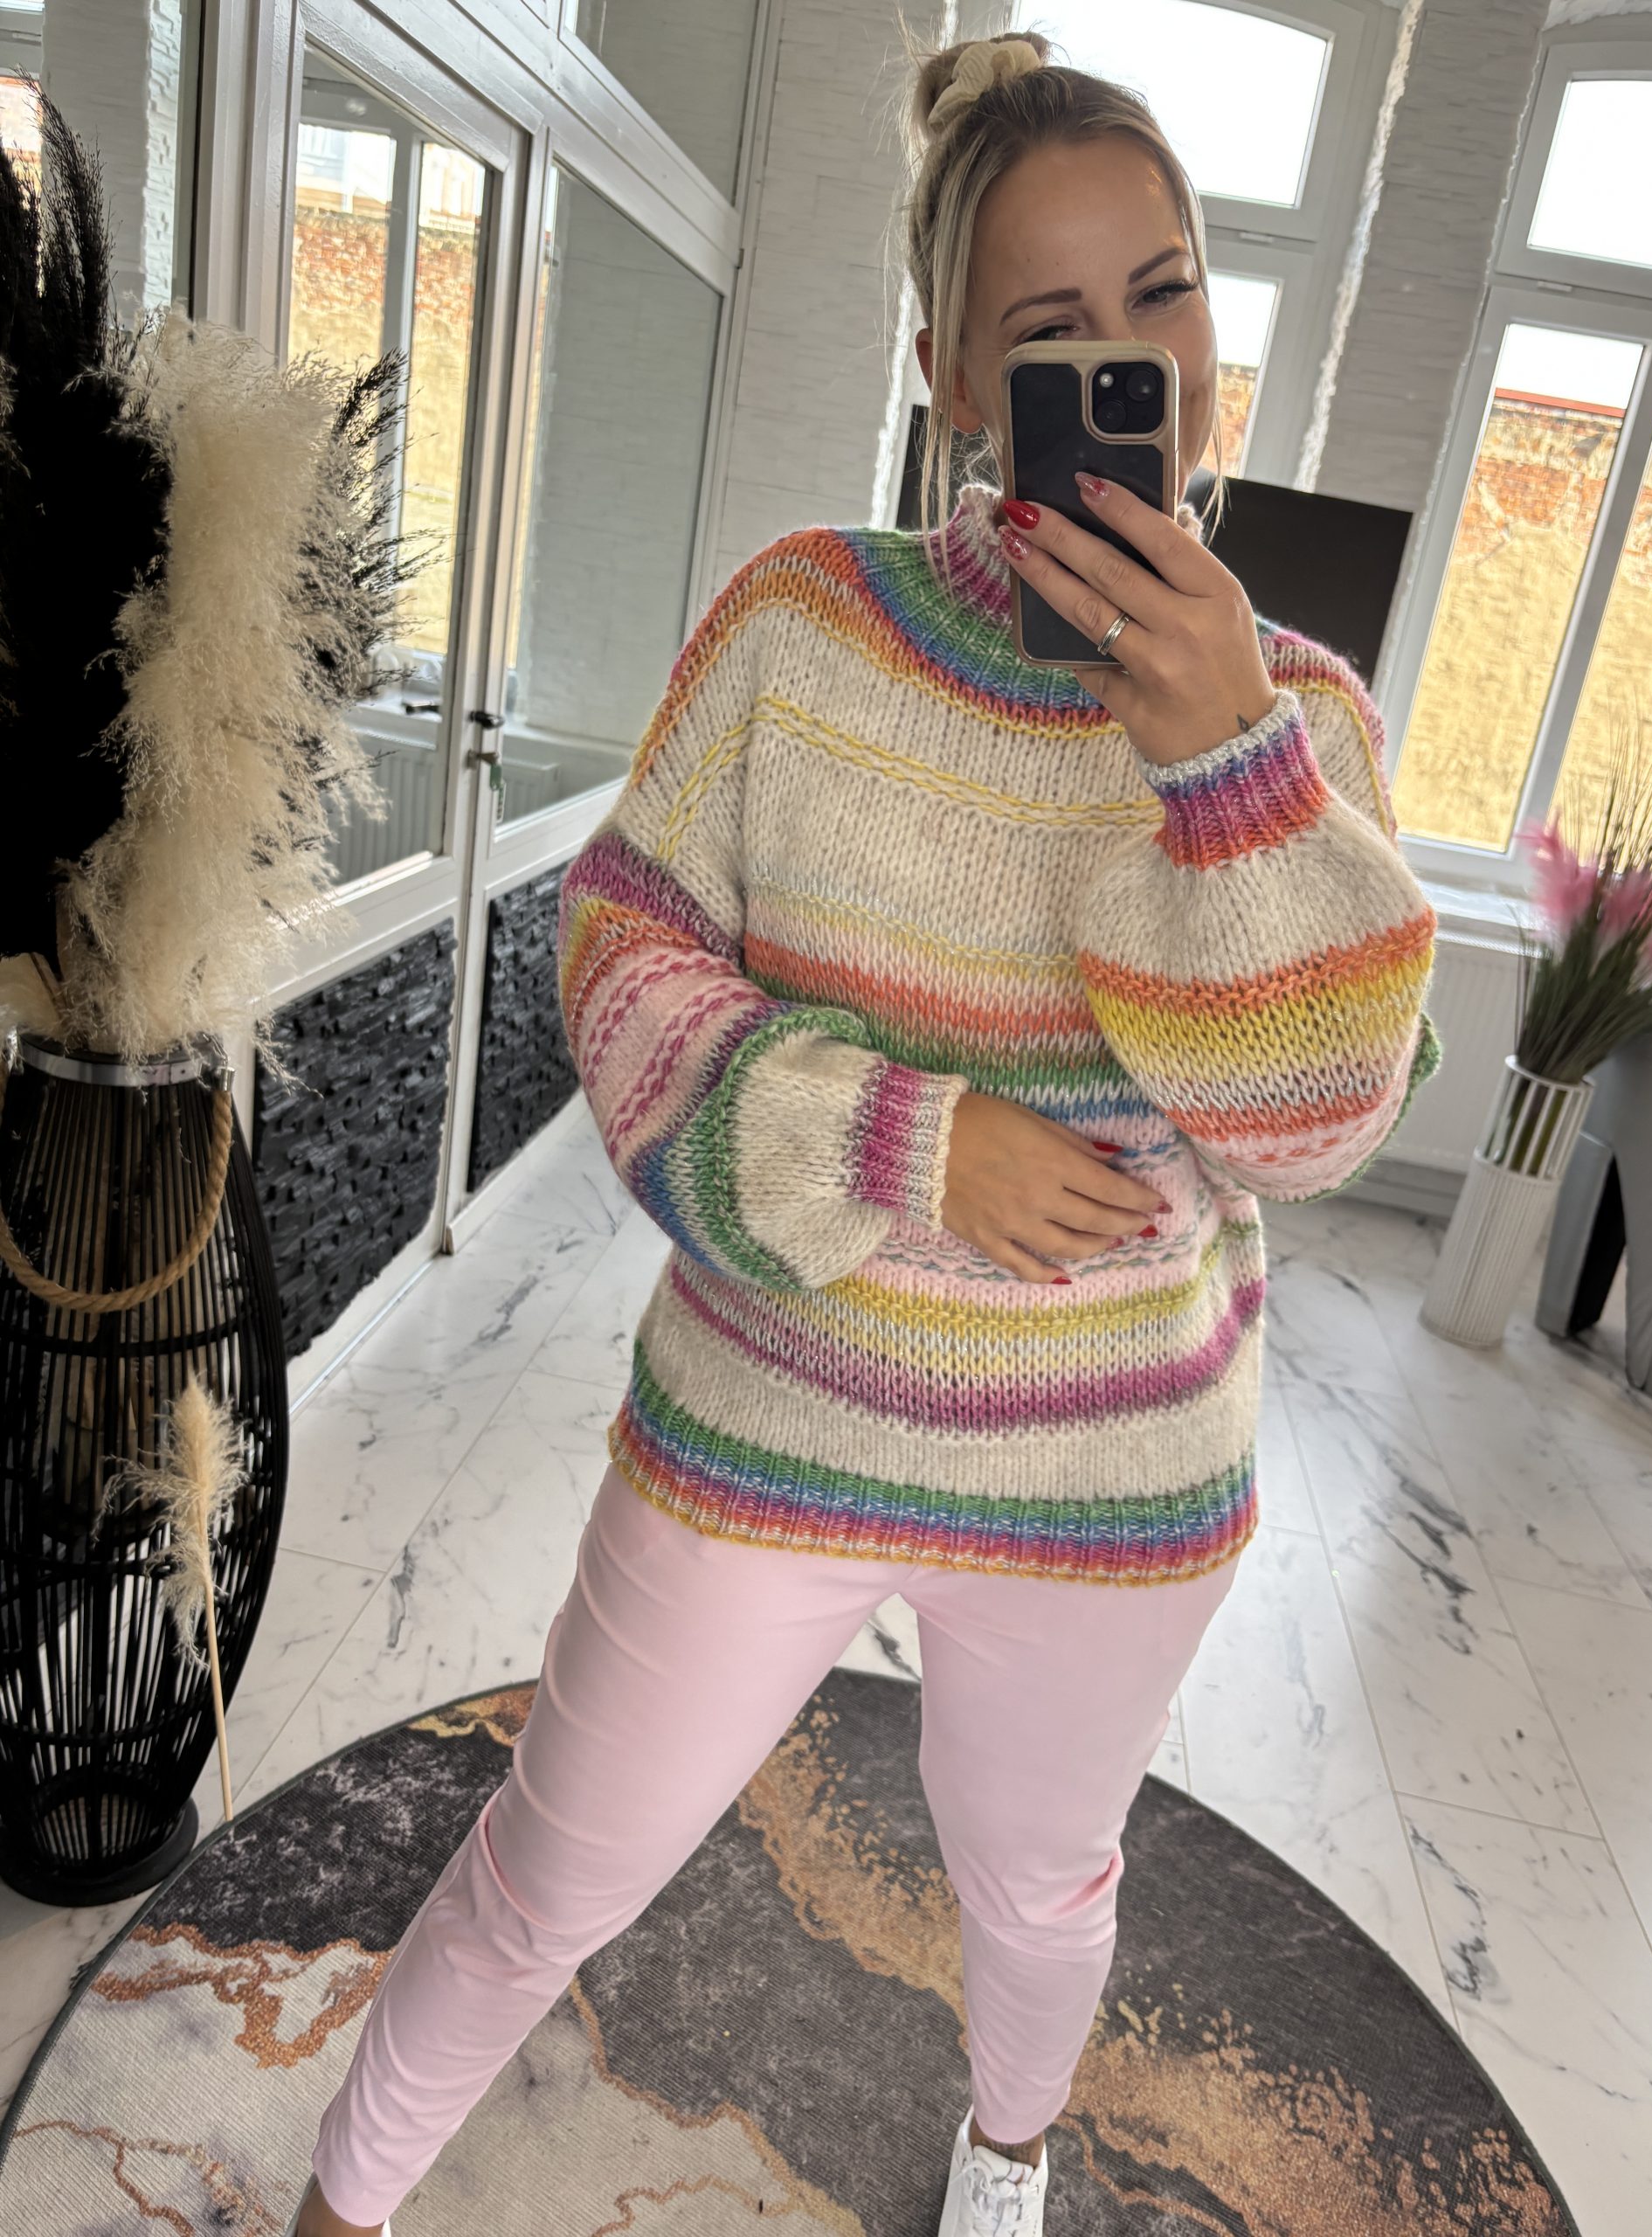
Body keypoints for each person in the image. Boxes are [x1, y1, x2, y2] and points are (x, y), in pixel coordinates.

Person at [288, 28, 1439, 2237]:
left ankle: (1006, 2155)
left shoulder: (1305, 713)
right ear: (952, 374)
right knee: (555, 1857)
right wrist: (912, 1143)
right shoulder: (806, 627)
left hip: (1111, 1469)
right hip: (771, 1417)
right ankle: (343, 2199)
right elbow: (620, 950)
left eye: (1165, 296)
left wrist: (1225, 764)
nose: (1130, 362)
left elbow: (1313, 1122)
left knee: (1040, 1885)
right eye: (1051, 327)